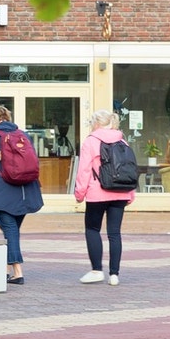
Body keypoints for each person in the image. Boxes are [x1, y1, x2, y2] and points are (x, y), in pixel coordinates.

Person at [0, 104, 43, 285]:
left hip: (2, 194)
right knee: (12, 231)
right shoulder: (23, 135)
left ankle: (17, 272)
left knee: (10, 230)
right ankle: (4, 271)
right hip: (25, 192)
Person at [73, 109, 133, 285]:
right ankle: (114, 274)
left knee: (92, 229)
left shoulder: (91, 141)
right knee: (114, 233)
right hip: (120, 192)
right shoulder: (122, 141)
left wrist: (79, 193)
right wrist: (130, 193)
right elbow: (129, 168)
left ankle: (97, 270)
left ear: (96, 123)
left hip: (97, 192)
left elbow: (84, 170)